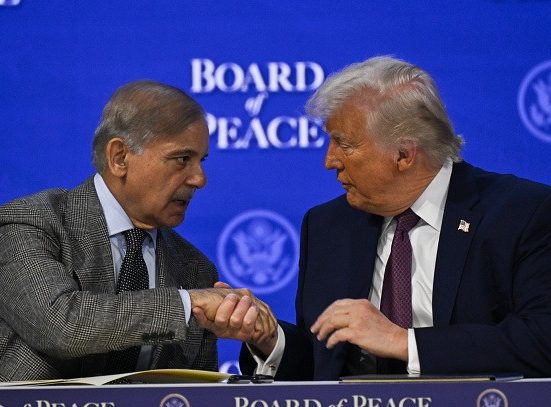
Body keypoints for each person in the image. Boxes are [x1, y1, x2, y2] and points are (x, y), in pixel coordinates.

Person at [238, 56, 551, 379]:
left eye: (344, 143)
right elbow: (320, 368)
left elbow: (542, 340)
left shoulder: (522, 214)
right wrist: (270, 339)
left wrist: (405, 343)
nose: (329, 161)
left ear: (404, 154)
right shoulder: (327, 226)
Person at [0, 80, 275, 381]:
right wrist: (188, 303)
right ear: (119, 157)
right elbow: (61, 325)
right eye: (182, 159)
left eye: (201, 161)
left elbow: (195, 393)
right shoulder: (31, 222)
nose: (199, 179)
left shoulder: (195, 269)